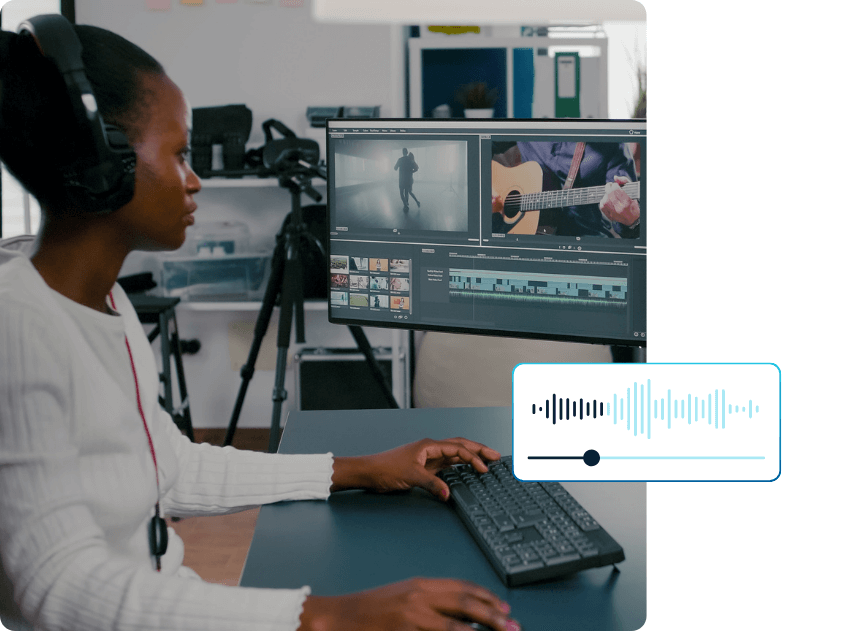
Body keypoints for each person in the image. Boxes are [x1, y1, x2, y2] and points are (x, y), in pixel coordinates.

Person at [0, 22, 518, 631]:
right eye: (178, 154)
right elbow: (58, 587)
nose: (194, 180)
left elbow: (173, 467)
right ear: (105, 160)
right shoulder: (20, 325)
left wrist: (362, 468)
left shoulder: (101, 299)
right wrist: (327, 617)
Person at [491, 141, 640, 238]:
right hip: (526, 242)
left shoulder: (612, 145)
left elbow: (630, 228)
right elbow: (479, 145)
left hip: (586, 244)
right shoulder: (529, 130)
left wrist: (632, 220)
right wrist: (486, 186)